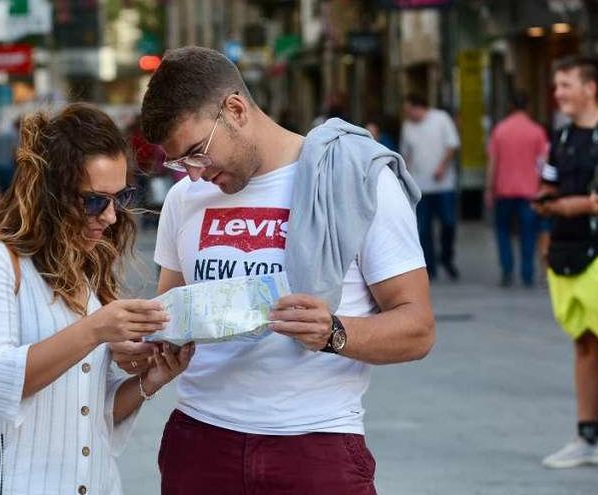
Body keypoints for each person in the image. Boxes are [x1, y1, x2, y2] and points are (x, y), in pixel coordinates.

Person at [112, 46, 435, 494]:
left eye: (196, 153)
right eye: (180, 163)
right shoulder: (185, 201)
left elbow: (418, 328)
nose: (194, 175)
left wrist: (334, 332)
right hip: (201, 442)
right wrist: (142, 344)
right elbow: (172, 319)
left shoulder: (353, 180)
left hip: (316, 444)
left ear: (236, 109)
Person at [0, 103, 194, 494]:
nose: (111, 216)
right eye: (95, 200)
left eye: (120, 196)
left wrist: (153, 378)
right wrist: (94, 330)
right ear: (50, 193)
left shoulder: (82, 262)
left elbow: (92, 414)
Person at [534, 56, 598, 469]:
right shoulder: (560, 138)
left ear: (590, 87)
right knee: (584, 343)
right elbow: (548, 182)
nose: (559, 93)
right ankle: (587, 438)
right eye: (557, 85)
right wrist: (546, 204)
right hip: (567, 253)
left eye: (565, 85)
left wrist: (579, 204)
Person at [485, 90, 550, 287]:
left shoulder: (500, 130)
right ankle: (527, 273)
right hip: (530, 191)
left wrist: (489, 188)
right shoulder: (536, 131)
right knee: (528, 232)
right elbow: (543, 163)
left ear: (511, 107)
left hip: (503, 190)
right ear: (527, 107)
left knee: (503, 230)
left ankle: (507, 270)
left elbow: (492, 162)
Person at [401, 93, 462, 280]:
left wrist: (442, 167)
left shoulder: (441, 119)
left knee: (448, 223)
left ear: (418, 107)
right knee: (423, 229)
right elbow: (406, 153)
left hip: (443, 185)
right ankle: (430, 267)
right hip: (419, 186)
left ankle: (446, 257)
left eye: (408, 109)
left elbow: (452, 145)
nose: (407, 114)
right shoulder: (408, 127)